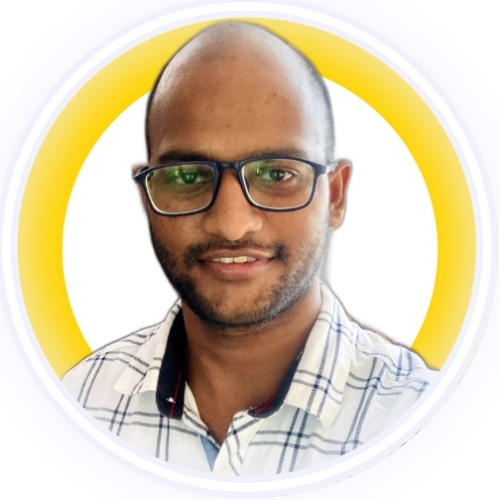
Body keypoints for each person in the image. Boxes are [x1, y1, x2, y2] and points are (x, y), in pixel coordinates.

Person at [63, 21, 434, 476]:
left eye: (277, 174)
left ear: (335, 197)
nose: (231, 224)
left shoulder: (425, 426)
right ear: (148, 197)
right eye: (187, 176)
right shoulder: (75, 406)